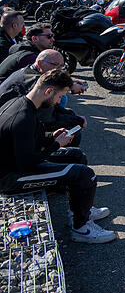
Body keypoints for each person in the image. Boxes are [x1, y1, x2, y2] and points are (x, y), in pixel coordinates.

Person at [0, 70, 117, 243]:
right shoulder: (23, 118)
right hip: (11, 177)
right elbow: (28, 164)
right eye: (59, 97)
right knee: (86, 174)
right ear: (48, 92)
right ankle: (81, 229)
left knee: (76, 156)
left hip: (16, 162)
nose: (57, 102)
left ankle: (79, 210)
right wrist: (56, 145)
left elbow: (28, 141)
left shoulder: (23, 103)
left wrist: (51, 136)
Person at [0, 50, 86, 137]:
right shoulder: (38, 84)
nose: (59, 69)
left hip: (13, 118)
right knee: (73, 129)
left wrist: (71, 116)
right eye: (55, 65)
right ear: (40, 64)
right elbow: (47, 119)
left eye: (62, 66)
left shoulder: (28, 70)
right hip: (11, 127)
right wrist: (76, 121)